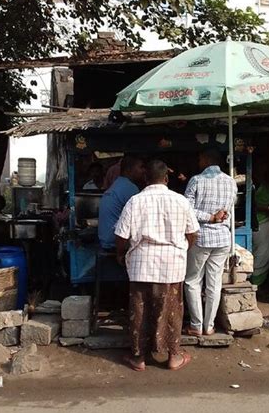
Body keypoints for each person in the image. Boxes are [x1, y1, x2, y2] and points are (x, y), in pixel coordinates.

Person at [115, 159, 199, 372]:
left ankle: (139, 358)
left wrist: (120, 254)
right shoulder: (180, 201)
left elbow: (121, 235)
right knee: (171, 311)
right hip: (172, 266)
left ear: (145, 178)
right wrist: (181, 249)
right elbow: (192, 234)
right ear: (167, 178)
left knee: (140, 311)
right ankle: (173, 357)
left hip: (141, 264)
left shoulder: (135, 201)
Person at [183, 147, 237, 336]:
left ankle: (196, 326)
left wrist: (209, 217)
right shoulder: (231, 183)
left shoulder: (196, 180)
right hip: (222, 239)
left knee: (192, 281)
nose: (198, 163)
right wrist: (216, 218)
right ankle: (209, 326)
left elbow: (186, 210)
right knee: (214, 284)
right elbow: (229, 211)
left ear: (206, 160)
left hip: (201, 237)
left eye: (200, 159)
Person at [98, 155, 145, 251]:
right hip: (115, 243)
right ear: (129, 170)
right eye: (140, 167)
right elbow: (140, 219)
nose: (143, 171)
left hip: (105, 240)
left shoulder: (118, 184)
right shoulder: (130, 188)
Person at [251, 159, 269, 287]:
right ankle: (254, 285)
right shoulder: (255, 183)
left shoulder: (265, 183)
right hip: (260, 223)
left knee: (261, 254)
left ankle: (256, 285)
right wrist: (268, 208)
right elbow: (252, 204)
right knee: (261, 255)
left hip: (264, 223)